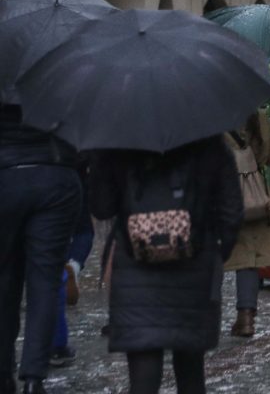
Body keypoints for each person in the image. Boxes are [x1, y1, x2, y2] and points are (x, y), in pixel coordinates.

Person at [88, 136, 243, 394]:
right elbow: (231, 210)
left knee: (143, 373)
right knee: (191, 370)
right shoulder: (208, 141)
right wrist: (213, 254)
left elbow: (102, 207)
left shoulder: (117, 142)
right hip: (194, 268)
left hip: (135, 272)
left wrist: (99, 159)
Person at [0, 103, 81, 394]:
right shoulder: (59, 64)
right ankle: (34, 378)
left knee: (5, 281)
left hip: (5, 174)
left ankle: (3, 374)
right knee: (45, 282)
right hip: (54, 172)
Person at [223, 110, 270, 338]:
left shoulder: (211, 115)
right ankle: (246, 318)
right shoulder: (258, 116)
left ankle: (206, 316)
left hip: (220, 193)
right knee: (249, 258)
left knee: (212, 255)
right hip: (253, 196)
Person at [49, 182, 95, 367]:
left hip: (11, 181)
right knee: (83, 231)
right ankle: (56, 347)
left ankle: (6, 356)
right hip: (67, 179)